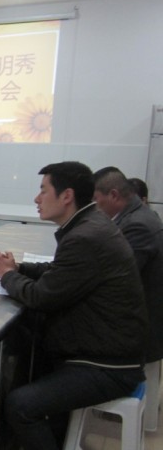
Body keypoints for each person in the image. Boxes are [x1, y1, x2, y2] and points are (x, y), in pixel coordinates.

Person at [0, 161, 147, 450]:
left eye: (43, 191)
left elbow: (41, 297)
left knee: (20, 405)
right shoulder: (91, 225)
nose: (37, 199)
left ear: (67, 196)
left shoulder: (86, 236)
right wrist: (18, 268)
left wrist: (7, 275)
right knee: (30, 350)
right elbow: (60, 273)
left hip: (108, 366)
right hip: (102, 350)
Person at [93, 166, 163, 431]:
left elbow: (117, 277)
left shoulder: (137, 225)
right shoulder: (139, 216)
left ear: (113, 195)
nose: (95, 207)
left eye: (97, 200)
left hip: (143, 326)